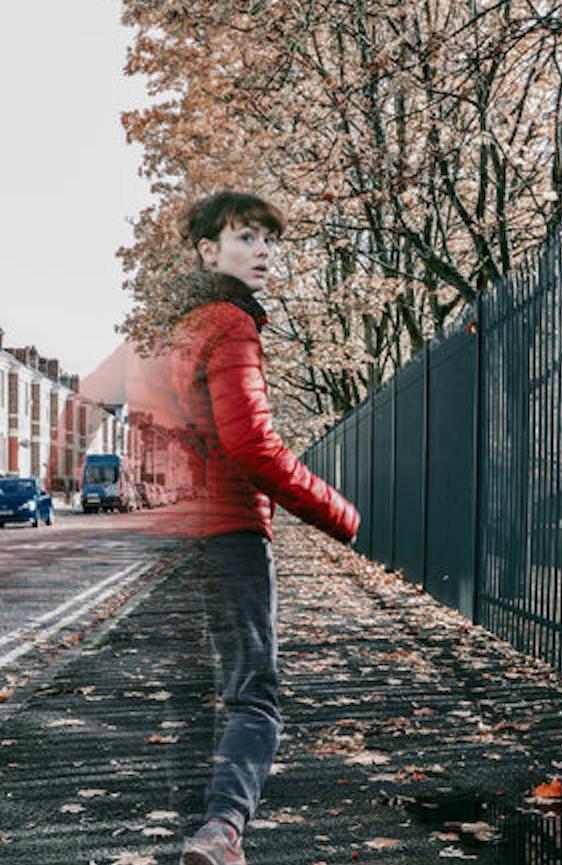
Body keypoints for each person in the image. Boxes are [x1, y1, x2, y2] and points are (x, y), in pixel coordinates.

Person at [121, 191, 359, 865]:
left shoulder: (172, 333)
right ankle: (222, 831)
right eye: (245, 237)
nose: (262, 251)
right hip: (228, 532)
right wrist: (337, 511)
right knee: (253, 697)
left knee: (202, 694)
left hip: (175, 537)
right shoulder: (231, 324)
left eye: (267, 240)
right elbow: (254, 445)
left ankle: (201, 829)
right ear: (207, 251)